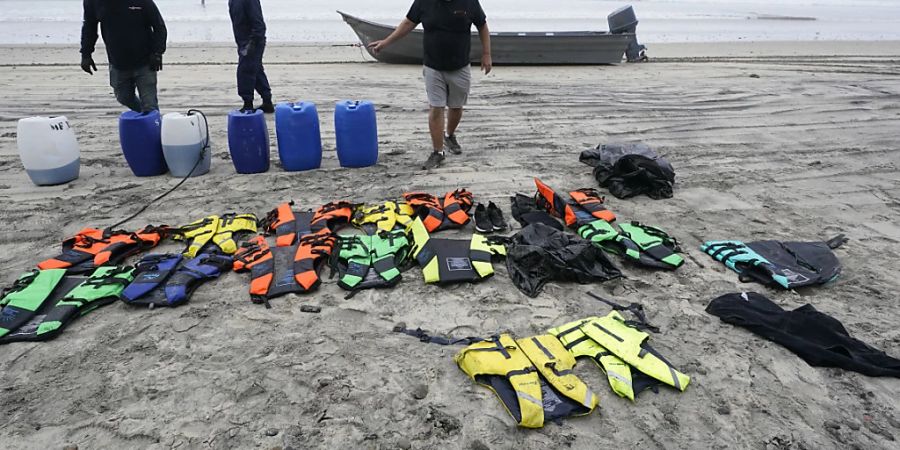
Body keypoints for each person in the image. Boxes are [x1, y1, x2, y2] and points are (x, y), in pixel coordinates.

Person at [369, 0, 492, 170]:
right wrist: (386, 42)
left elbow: (482, 26)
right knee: (436, 107)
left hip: (460, 66)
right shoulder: (423, 2)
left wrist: (486, 54)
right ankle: (438, 152)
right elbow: (407, 23)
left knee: (456, 107)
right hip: (433, 66)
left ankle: (449, 135)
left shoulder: (469, 2)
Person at [80, 0, 167, 113]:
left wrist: (157, 53)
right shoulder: (93, 2)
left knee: (150, 105)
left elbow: (159, 26)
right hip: (117, 62)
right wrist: (86, 54)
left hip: (145, 61)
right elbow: (89, 27)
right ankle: (147, 117)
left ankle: (152, 123)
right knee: (124, 98)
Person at [229, 0, 274, 113]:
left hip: (252, 41)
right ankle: (267, 101)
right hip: (243, 41)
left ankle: (248, 104)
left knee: (245, 71)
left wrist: (253, 42)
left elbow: (258, 22)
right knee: (256, 70)